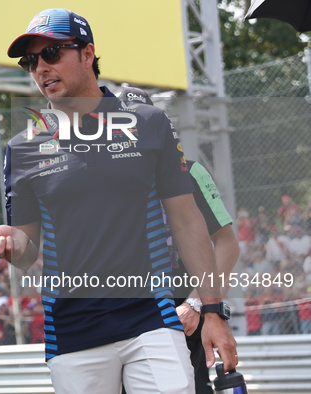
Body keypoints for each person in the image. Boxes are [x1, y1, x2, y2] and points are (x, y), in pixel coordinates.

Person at [0, 9, 238, 393]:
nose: (40, 69)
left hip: (152, 320)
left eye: (52, 53)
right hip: (70, 333)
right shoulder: (22, 149)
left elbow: (187, 222)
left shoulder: (149, 123)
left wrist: (212, 310)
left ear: (87, 54)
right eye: (30, 61)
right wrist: (10, 241)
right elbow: (26, 250)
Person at [117, 87, 241, 394]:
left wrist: (197, 303)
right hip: (119, 315)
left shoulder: (192, 171)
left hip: (180, 313)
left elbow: (227, 244)